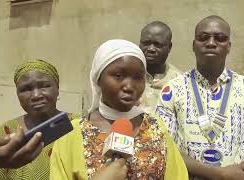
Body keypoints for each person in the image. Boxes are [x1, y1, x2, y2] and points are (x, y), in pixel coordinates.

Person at [155, 15, 244, 180]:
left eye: (220, 38)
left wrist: (236, 176)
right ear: (193, 45)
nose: (211, 43)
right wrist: (221, 175)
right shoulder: (172, 89)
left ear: (229, 46)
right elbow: (164, 148)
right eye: (203, 37)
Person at [49, 39, 188, 180]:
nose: (129, 86)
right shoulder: (70, 135)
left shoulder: (155, 127)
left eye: (138, 77)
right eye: (118, 76)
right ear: (98, 78)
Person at [0, 59, 78, 180]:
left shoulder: (77, 124)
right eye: (26, 89)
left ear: (57, 89)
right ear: (17, 94)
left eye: (44, 86)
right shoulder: (7, 130)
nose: (36, 95)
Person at [138, 21, 181, 113]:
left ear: (169, 47)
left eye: (158, 44)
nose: (151, 49)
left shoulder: (178, 81)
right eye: (146, 43)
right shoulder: (127, 75)